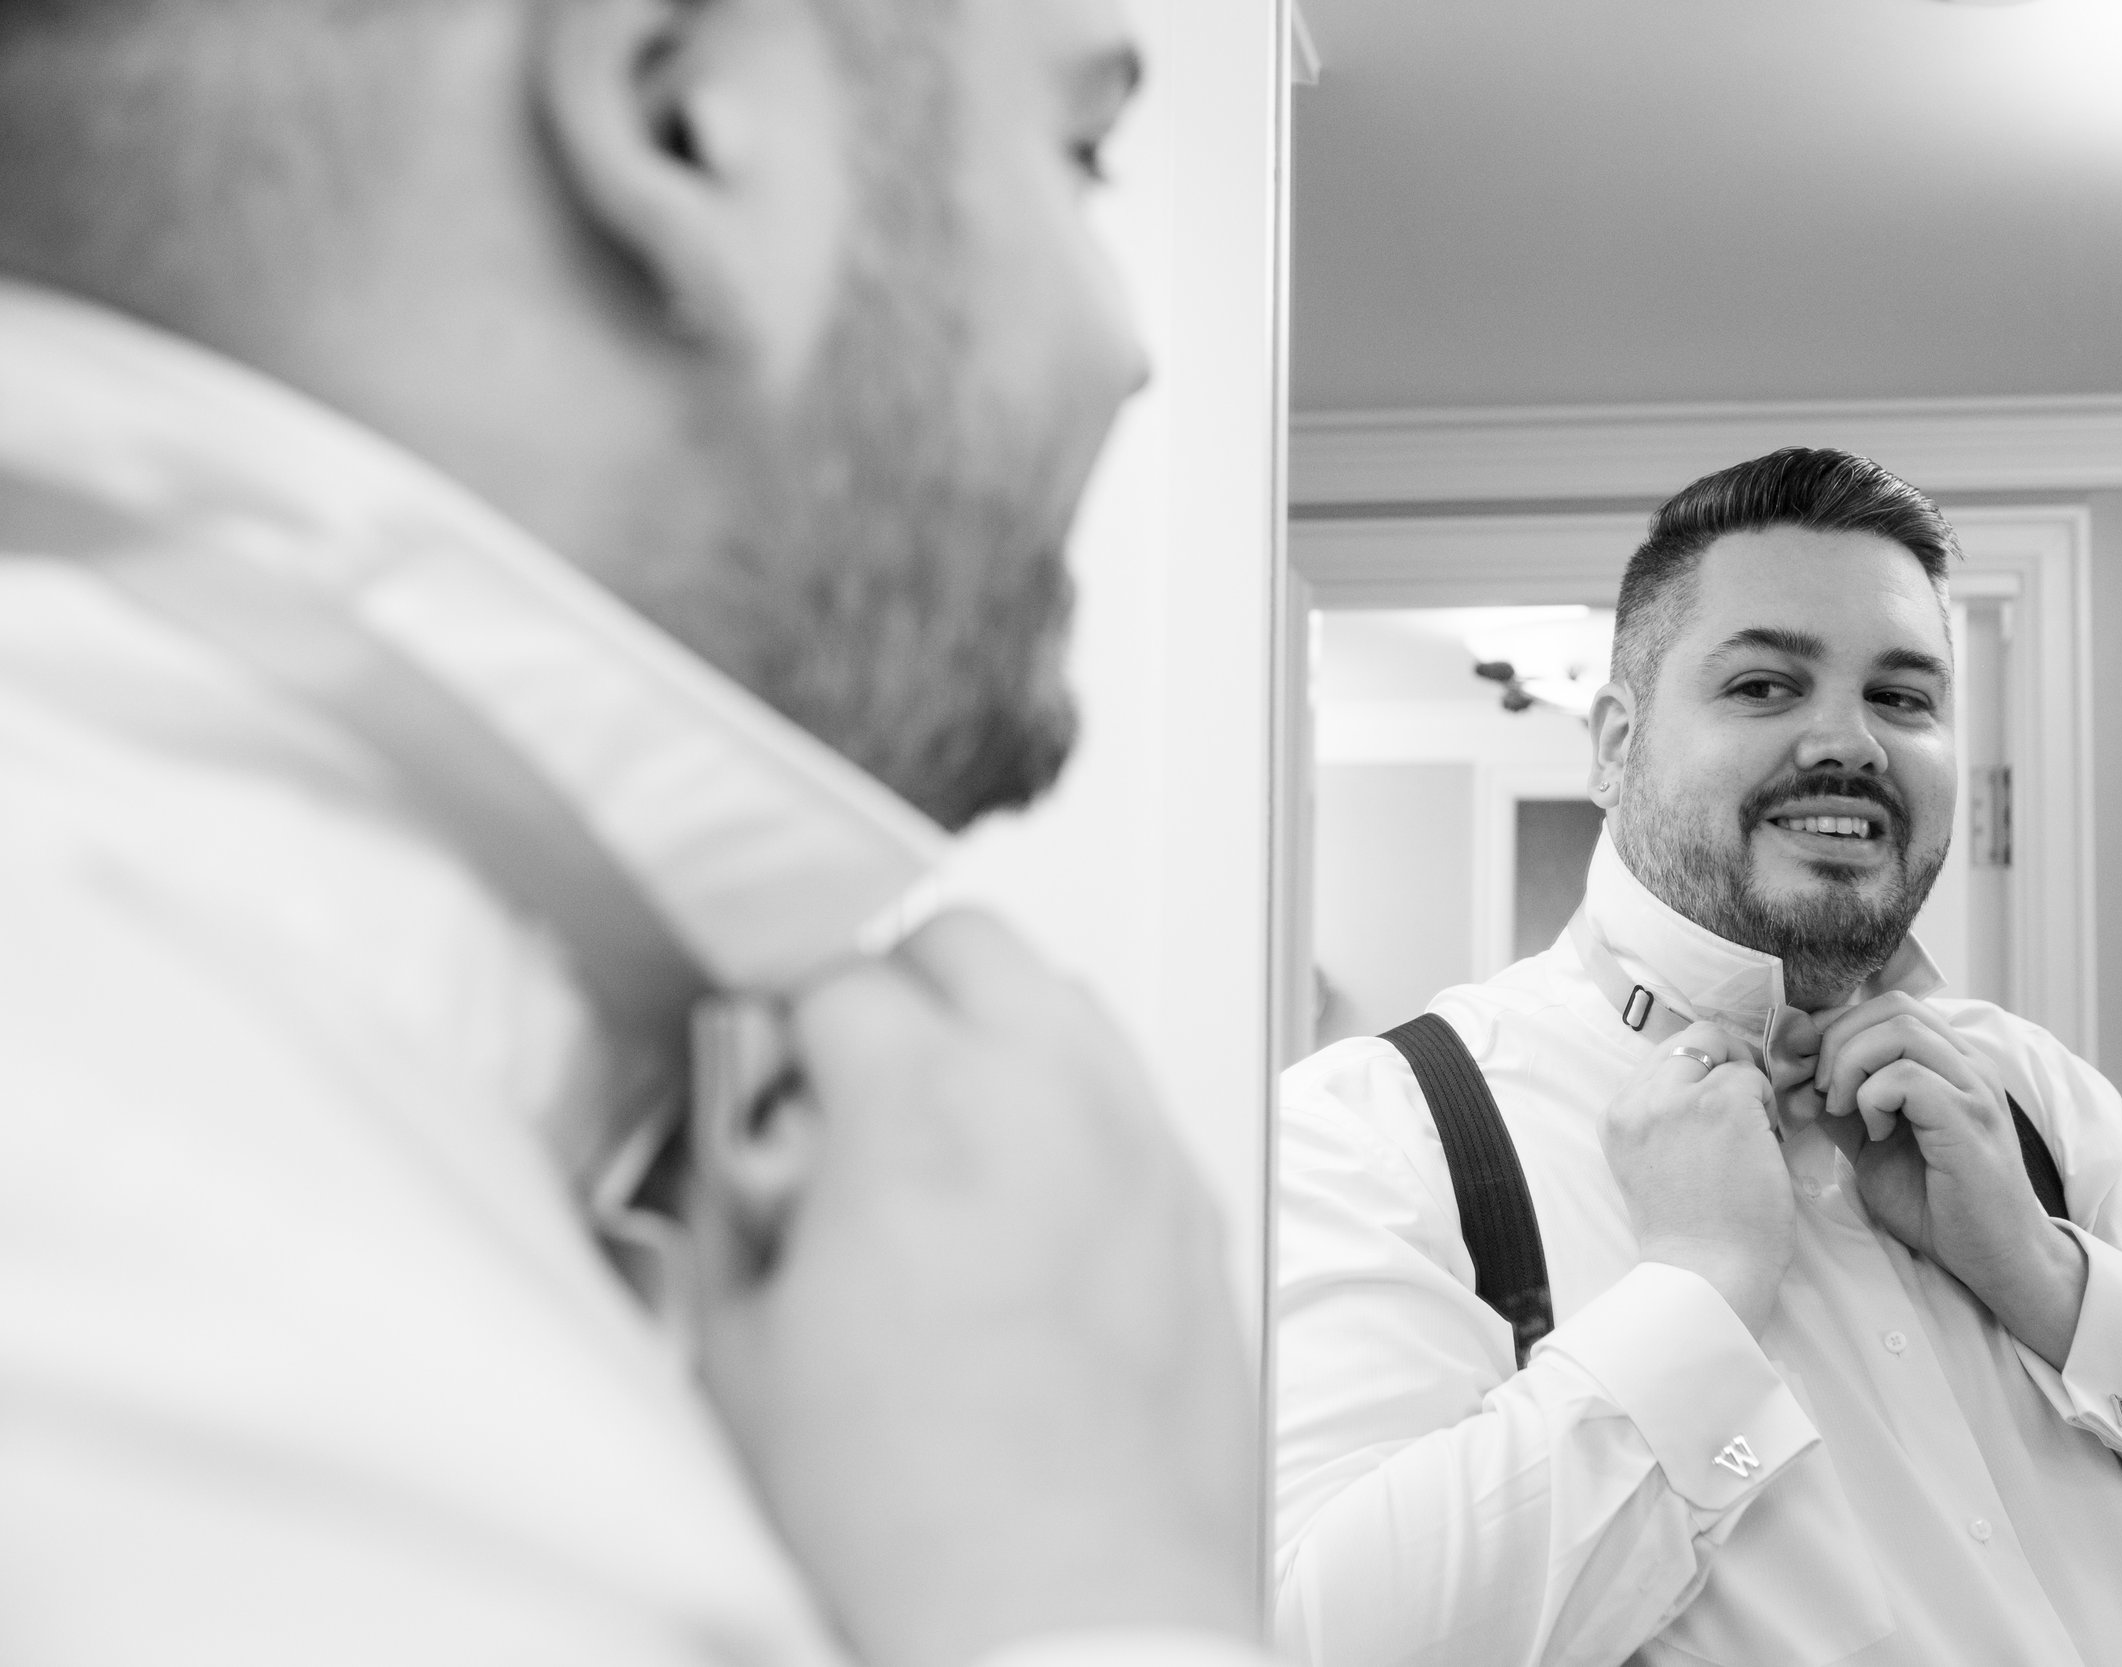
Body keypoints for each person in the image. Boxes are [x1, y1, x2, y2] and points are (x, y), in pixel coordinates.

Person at [0, 1, 1263, 1663]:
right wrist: (1087, 1598)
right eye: (1078, 150)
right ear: (683, 118)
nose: (1133, 348)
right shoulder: (148, 1286)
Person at [1273, 448, 2122, 1666]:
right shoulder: (1377, 1128)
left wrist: (2054, 1287)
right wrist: (1695, 1294)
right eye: (1765, 684)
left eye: (1902, 697)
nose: (1850, 739)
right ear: (1614, 743)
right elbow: (1319, 1640)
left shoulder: (2032, 1096)